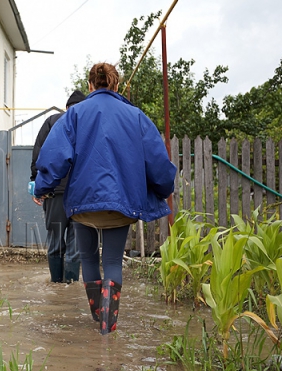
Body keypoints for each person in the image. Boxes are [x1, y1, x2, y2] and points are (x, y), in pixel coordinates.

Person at [34, 62, 177, 334]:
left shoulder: (73, 115)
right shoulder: (135, 116)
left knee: (88, 259)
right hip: (121, 203)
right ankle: (107, 332)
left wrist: (42, 187)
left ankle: (96, 318)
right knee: (112, 261)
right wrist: (163, 189)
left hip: (82, 204)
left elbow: (54, 157)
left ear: (90, 85)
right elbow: (159, 164)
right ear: (117, 85)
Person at [30, 90, 86, 283]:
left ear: (67, 107)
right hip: (80, 196)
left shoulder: (52, 121)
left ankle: (56, 285)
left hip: (55, 194)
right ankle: (70, 288)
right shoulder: (88, 124)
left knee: (55, 242)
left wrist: (37, 185)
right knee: (75, 245)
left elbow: (39, 155)